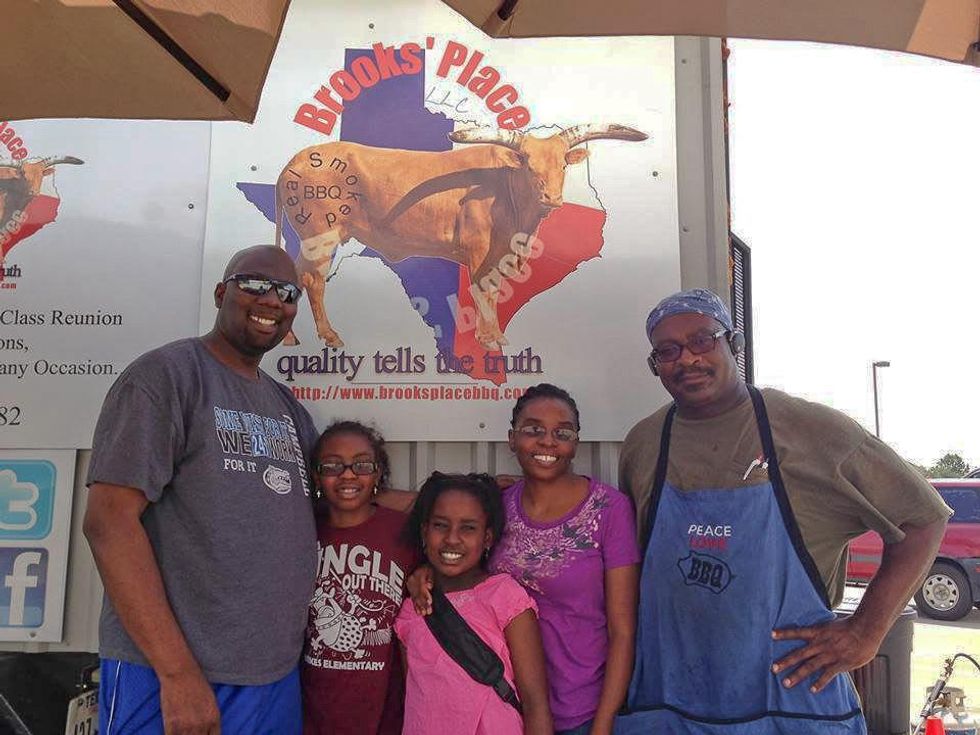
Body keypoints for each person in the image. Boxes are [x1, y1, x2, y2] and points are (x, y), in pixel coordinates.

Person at [615, 288, 950, 733]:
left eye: (702, 340)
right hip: (669, 705)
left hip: (793, 705)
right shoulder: (643, 443)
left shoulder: (811, 429)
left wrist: (866, 631)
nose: (687, 358)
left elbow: (924, 518)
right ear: (655, 365)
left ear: (734, 343)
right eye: (668, 350)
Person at [83, 246, 318, 734]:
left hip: (271, 676)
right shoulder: (165, 377)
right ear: (220, 293)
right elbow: (108, 523)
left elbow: (342, 500)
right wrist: (177, 673)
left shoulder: (285, 406)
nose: (272, 301)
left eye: (287, 293)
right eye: (254, 284)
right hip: (169, 675)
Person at [411, 385, 640, 735]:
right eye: (533, 429)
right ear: (512, 439)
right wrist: (425, 569)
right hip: (505, 709)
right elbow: (453, 541)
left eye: (562, 432)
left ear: (576, 443)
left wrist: (604, 723)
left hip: (582, 711)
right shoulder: (498, 505)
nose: (547, 441)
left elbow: (622, 631)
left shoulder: (609, 509)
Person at [394, 472, 553, 735]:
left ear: (487, 538)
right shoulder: (413, 610)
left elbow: (535, 703)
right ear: (424, 531)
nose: (452, 538)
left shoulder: (504, 596)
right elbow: (416, 699)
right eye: (440, 525)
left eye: (468, 528)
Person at [301, 420, 417, 735]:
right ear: (316, 476)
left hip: (384, 709)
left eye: (362, 465)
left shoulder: (402, 532)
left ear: (378, 474)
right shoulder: (302, 528)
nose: (348, 475)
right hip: (315, 706)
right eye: (333, 466)